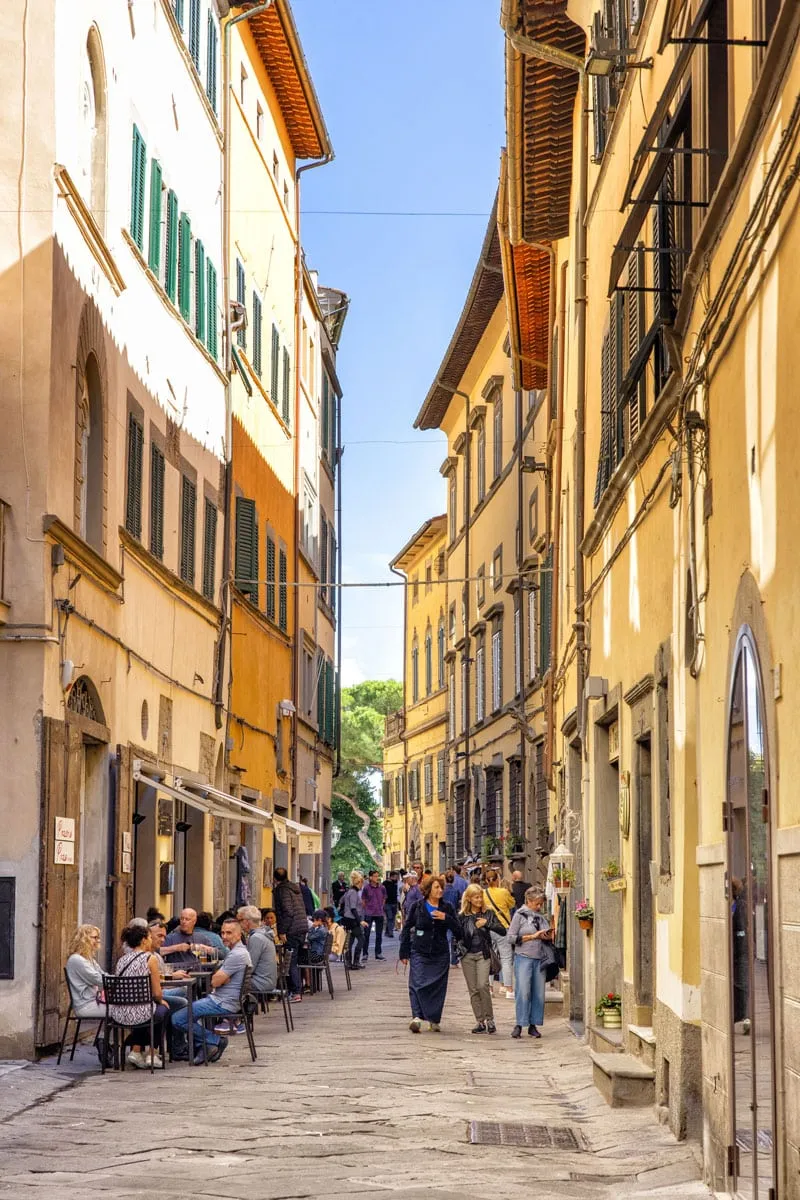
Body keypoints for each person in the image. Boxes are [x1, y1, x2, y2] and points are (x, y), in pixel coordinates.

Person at [171, 918, 252, 1063]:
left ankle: (212, 1041)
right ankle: (205, 1045)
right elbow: (219, 980)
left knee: (178, 1018)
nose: (224, 936)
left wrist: (220, 978)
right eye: (222, 933)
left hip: (222, 1002)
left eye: (229, 933)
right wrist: (221, 978)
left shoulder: (236, 955)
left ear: (239, 935)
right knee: (187, 1009)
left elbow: (214, 981)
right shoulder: (237, 952)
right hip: (224, 999)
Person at [399, 874, 462, 1033]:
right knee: (417, 983)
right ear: (428, 890)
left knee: (438, 987)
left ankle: (434, 1019)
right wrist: (404, 952)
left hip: (440, 953)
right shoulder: (417, 906)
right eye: (436, 887)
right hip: (419, 950)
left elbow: (458, 930)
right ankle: (417, 1017)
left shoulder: (447, 907)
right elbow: (407, 928)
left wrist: (445, 918)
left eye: (441, 887)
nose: (440, 890)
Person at [112, 924, 170, 1069]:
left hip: (119, 1013)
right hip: (141, 1012)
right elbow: (157, 993)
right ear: (144, 940)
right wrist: (161, 1000)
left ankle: (136, 1051)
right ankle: (152, 1053)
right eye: (150, 937)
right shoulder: (150, 959)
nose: (151, 940)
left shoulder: (122, 960)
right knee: (162, 1010)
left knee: (147, 1008)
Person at [458, 885, 506, 1033]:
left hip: (483, 954)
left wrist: (487, 924)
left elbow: (502, 930)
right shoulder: (462, 916)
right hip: (467, 955)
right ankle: (480, 1021)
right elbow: (456, 935)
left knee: (482, 985)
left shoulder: (488, 913)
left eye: (480, 896)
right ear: (469, 899)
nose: (479, 900)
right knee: (473, 989)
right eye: (476, 897)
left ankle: (490, 1019)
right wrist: (459, 950)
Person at [507, 886, 552, 1039]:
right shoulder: (519, 915)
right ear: (529, 901)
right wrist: (532, 936)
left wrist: (547, 935)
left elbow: (546, 935)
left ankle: (533, 1025)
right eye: (537, 903)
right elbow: (510, 938)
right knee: (523, 992)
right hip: (524, 957)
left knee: (538, 994)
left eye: (541, 904)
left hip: (540, 959)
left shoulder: (541, 916)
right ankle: (519, 1024)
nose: (539, 906)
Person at [273, 867, 309, 1002]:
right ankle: (295, 989)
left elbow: (287, 911)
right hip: (301, 928)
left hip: (292, 930)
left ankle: (295, 992)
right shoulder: (295, 888)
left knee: (291, 961)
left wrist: (282, 931)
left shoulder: (282, 890)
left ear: (275, 879)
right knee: (294, 960)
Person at [483, 869, 516, 999]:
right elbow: (512, 904)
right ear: (498, 879)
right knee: (506, 958)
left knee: (490, 957)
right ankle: (508, 989)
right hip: (503, 927)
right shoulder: (504, 892)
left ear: (486, 880)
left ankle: (490, 989)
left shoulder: (483, 893)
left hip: (488, 927)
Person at [237, 904, 277, 997]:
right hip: (266, 980)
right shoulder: (262, 934)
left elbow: (250, 966)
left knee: (228, 983)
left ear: (247, 922)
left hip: (261, 982)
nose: (239, 924)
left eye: (240, 921)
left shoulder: (256, 938)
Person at [340, 871, 368, 969]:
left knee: (350, 941)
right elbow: (353, 908)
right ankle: (355, 962)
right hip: (352, 920)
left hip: (348, 919)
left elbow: (341, 901)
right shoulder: (354, 893)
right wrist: (360, 921)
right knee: (361, 939)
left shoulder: (349, 892)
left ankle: (349, 963)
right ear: (358, 882)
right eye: (362, 883)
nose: (362, 885)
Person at [361, 869, 387, 960]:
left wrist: (381, 906)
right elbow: (363, 900)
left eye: (377, 876)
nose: (377, 878)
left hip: (379, 913)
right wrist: (367, 908)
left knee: (379, 934)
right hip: (369, 913)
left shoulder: (382, 887)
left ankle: (378, 953)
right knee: (366, 934)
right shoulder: (366, 888)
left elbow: (384, 898)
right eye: (375, 876)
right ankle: (365, 954)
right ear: (370, 877)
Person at [383, 871, 399, 938]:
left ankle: (387, 931)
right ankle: (390, 933)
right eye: (396, 877)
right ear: (391, 876)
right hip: (387, 903)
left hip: (394, 903)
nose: (397, 878)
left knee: (392, 918)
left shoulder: (396, 883)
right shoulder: (385, 883)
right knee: (390, 917)